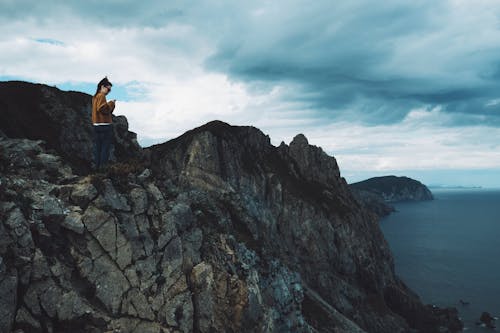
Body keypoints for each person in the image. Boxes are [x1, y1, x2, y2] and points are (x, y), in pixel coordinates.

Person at [92, 77, 116, 170]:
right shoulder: (101, 96)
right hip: (105, 126)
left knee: (97, 149)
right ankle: (102, 170)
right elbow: (102, 109)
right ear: (102, 87)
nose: (109, 91)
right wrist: (111, 103)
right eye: (108, 89)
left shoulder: (95, 97)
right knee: (105, 149)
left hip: (96, 126)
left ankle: (97, 169)